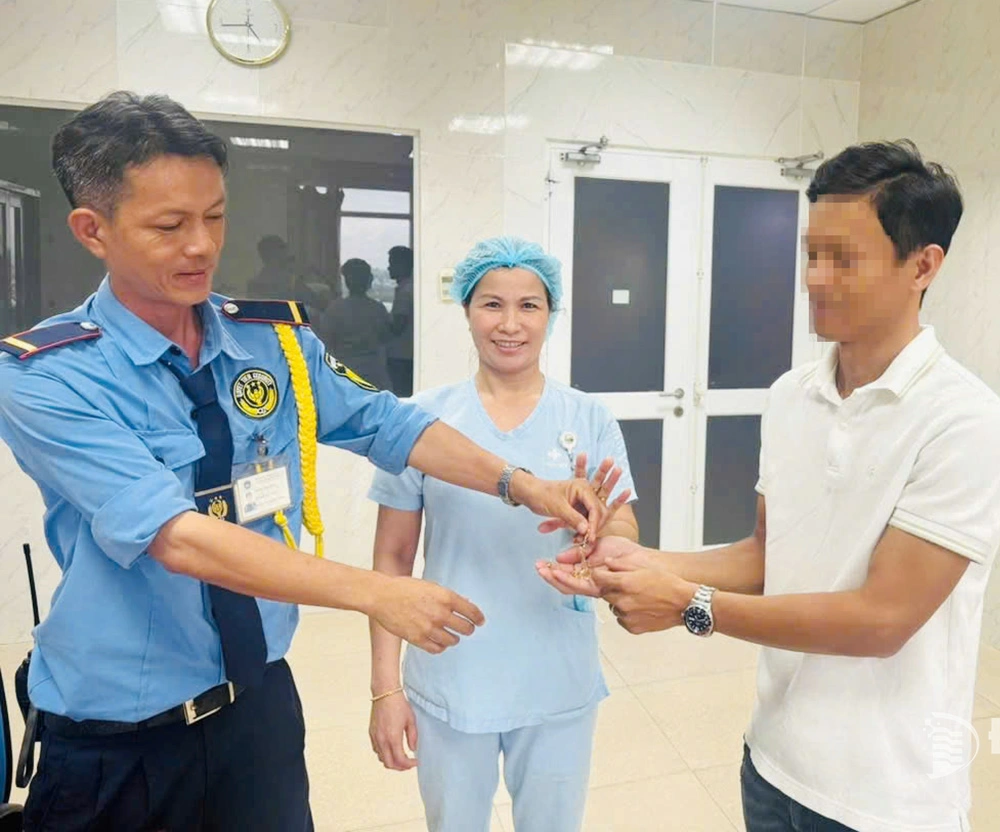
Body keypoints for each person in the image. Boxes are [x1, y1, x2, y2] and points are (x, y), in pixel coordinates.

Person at [0, 92, 607, 832]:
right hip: (119, 739)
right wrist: (376, 593)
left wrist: (523, 484)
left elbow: (389, 425)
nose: (202, 246)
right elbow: (176, 537)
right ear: (92, 230)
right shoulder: (48, 375)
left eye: (215, 216)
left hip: (257, 706)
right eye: (170, 225)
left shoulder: (271, 342)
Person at [540, 141, 1000, 832]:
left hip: (884, 798)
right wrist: (642, 561)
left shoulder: (967, 424)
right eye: (811, 254)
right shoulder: (791, 395)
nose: (816, 280)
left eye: (844, 259)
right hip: (772, 763)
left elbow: (882, 620)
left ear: (923, 265)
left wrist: (689, 604)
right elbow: (768, 556)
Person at [367, 236, 639, 832]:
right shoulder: (422, 420)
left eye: (529, 306)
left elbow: (621, 521)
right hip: (451, 670)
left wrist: (606, 539)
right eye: (492, 304)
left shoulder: (587, 417)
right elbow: (391, 559)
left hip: (556, 674)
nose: (510, 324)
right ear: (466, 309)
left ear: (551, 314)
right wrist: (385, 690)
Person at [322, 257, 392, 391]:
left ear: (347, 281)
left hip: (344, 371)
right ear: (369, 280)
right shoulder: (377, 309)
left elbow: (327, 342)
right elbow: (386, 338)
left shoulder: (334, 309)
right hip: (373, 372)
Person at [386, 244, 415, 396]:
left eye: (392, 263)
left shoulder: (405, 291)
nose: (389, 268)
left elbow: (398, 326)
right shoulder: (411, 287)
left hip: (401, 355)